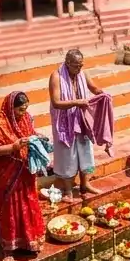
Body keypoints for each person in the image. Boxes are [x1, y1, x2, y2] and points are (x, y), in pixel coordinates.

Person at [0, 91, 46, 261]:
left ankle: (29, 242)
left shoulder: (26, 117)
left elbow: (30, 132)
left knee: (28, 205)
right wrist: (13, 147)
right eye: (20, 110)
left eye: (25, 108)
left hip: (25, 171)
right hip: (8, 175)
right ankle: (9, 249)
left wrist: (39, 137)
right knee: (10, 210)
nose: (23, 112)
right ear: (11, 108)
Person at [49, 48, 114, 196]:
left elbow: (93, 87)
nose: (79, 68)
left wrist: (102, 94)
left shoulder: (82, 73)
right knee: (67, 154)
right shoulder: (56, 76)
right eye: (76, 66)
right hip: (64, 122)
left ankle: (85, 184)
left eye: (81, 65)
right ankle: (68, 190)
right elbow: (56, 102)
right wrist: (77, 102)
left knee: (85, 152)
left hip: (81, 120)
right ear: (67, 63)